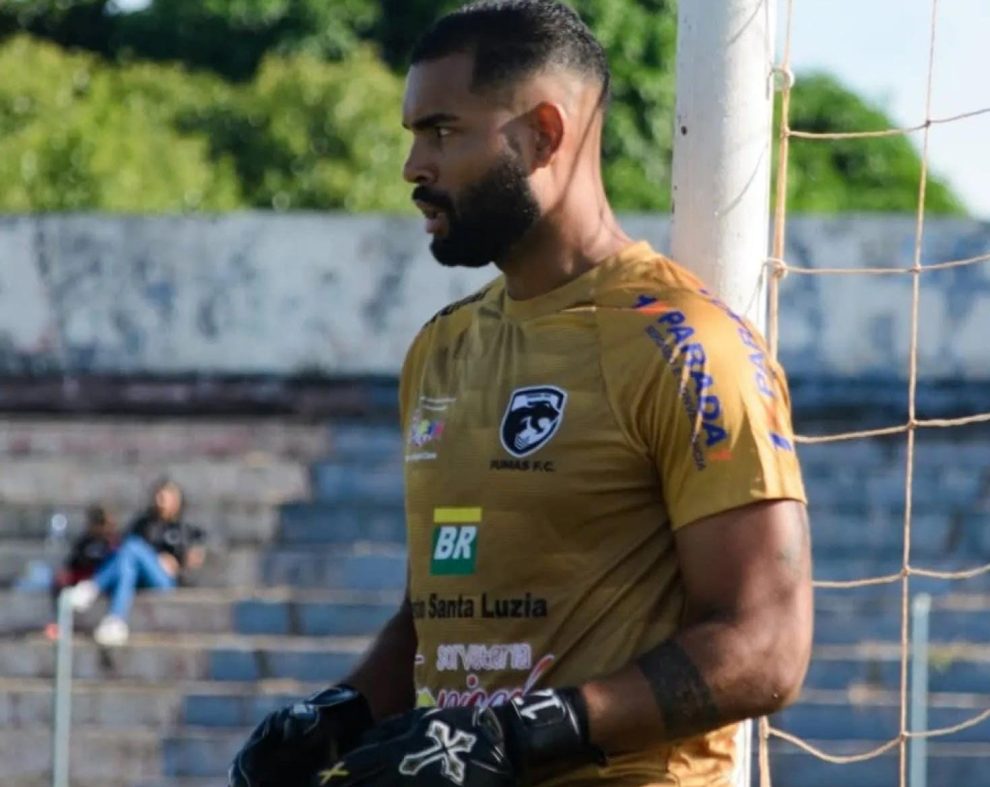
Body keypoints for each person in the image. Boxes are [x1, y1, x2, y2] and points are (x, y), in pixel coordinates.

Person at [229, 2, 813, 785]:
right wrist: (341, 715)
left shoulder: (687, 345)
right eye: (413, 136)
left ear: (542, 134)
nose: (413, 167)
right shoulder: (440, 349)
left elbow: (768, 645)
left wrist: (527, 732)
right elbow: (427, 621)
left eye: (442, 132)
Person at [68, 479, 206, 647]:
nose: (160, 502)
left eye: (165, 497)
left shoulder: (185, 529)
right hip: (136, 577)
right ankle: (114, 621)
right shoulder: (143, 524)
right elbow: (121, 554)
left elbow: (193, 564)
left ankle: (93, 587)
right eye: (159, 497)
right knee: (127, 563)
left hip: (164, 580)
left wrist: (177, 565)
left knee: (132, 547)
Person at [45, 504, 121, 640]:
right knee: (60, 580)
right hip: (82, 579)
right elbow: (72, 564)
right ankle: (60, 622)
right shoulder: (84, 542)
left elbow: (115, 568)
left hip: (102, 581)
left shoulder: (114, 543)